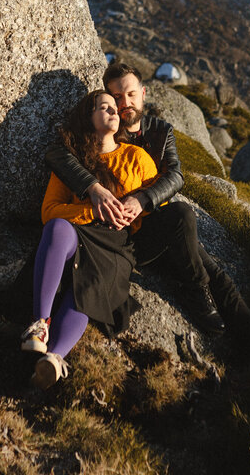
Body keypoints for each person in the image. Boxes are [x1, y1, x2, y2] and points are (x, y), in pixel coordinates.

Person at [45, 62, 250, 339]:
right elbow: (58, 156)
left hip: (152, 218)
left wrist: (142, 200)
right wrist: (92, 188)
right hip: (120, 237)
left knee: (212, 269)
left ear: (143, 93)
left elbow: (175, 176)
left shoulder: (159, 131)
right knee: (196, 252)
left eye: (131, 94)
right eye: (116, 98)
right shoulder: (100, 136)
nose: (125, 103)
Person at [22, 88, 158, 389]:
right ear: (88, 117)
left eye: (114, 108)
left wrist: (134, 208)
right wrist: (92, 207)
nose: (113, 111)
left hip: (115, 243)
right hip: (79, 228)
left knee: (89, 287)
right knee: (57, 228)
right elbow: (50, 211)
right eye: (103, 107)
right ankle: (40, 324)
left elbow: (154, 208)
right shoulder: (71, 162)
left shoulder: (137, 158)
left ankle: (54, 359)